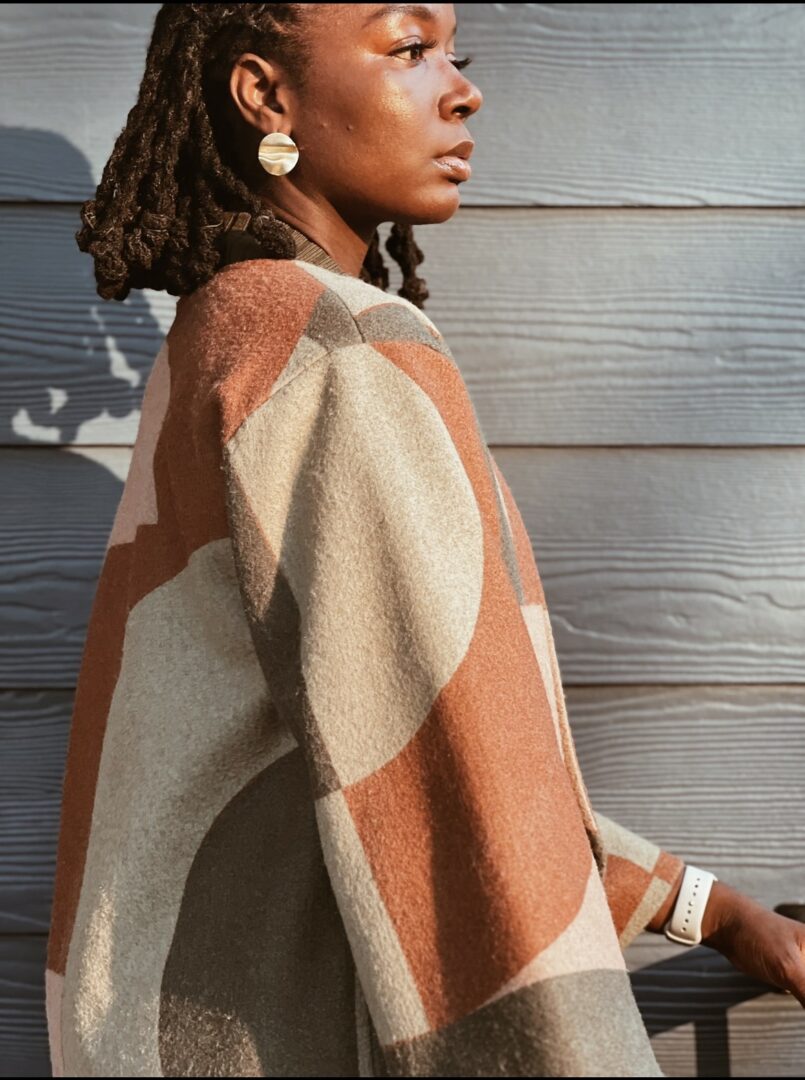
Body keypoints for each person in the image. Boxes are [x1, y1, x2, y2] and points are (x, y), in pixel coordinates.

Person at [44, 3, 805, 1076]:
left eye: (456, 51)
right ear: (265, 95)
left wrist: (707, 909)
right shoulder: (338, 352)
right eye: (407, 48)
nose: (461, 89)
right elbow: (459, 808)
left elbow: (397, 749)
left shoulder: (226, 329)